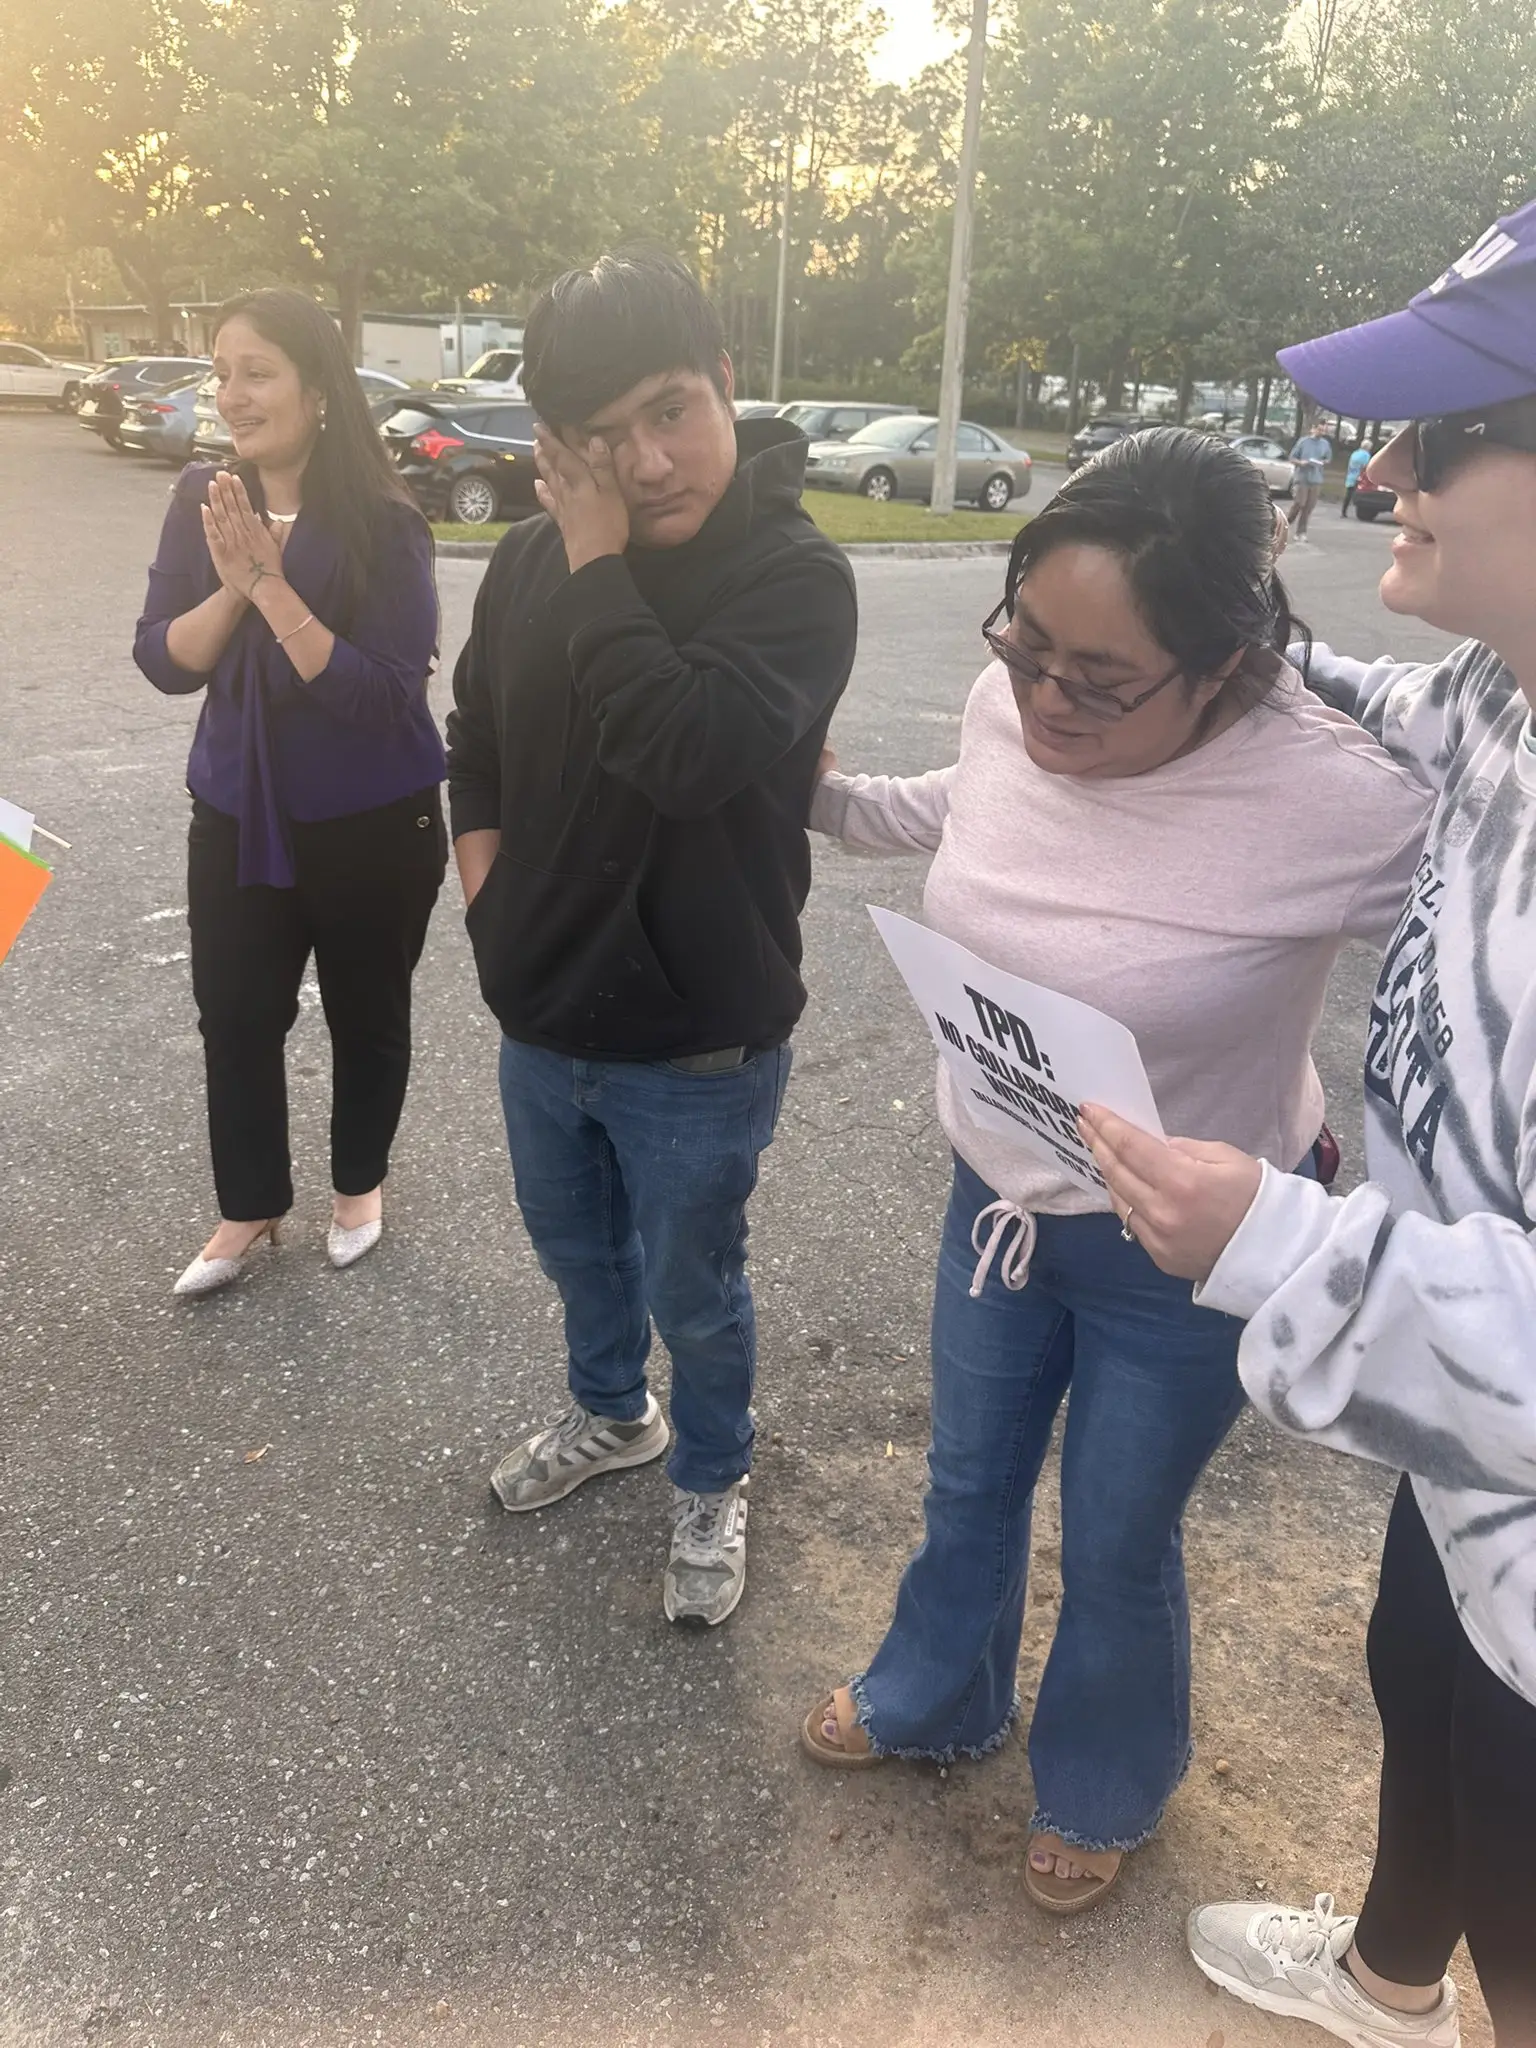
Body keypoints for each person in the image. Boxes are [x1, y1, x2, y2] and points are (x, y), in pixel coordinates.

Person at [796, 426, 1431, 1913]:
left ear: (1223, 664)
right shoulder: (1011, 704)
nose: (1046, 701)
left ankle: (1104, 1777)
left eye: (1101, 681)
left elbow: (1489, 936)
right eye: (1028, 650)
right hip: (998, 1202)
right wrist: (830, 799)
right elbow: (969, 801)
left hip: (1188, 1251)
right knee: (966, 1485)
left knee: (1119, 1530)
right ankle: (935, 1694)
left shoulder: (1340, 801)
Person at [1081, 197, 1536, 2044]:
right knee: (1413, 1672)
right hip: (1467, 1465)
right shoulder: (1504, 694)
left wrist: (1274, 1238)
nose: (1392, 462)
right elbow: (1376, 707)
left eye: (1458, 426)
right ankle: (1382, 1976)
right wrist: (1213, 639)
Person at [446, 249, 857, 1627]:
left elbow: (680, 749)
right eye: (598, 440)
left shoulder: (797, 580)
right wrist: (485, 888)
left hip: (700, 1040)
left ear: (730, 384)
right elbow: (480, 735)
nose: (646, 463)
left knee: (699, 1287)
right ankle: (610, 1416)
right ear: (557, 449)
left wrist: (600, 561)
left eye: (671, 412)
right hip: (542, 1016)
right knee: (578, 1259)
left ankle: (711, 1473)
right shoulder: (524, 560)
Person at [134, 288, 446, 1298]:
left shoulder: (385, 522)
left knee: (367, 1012)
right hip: (235, 807)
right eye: (222, 371)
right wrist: (231, 581)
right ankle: (251, 1201)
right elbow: (163, 661)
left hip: (370, 818)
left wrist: (270, 583)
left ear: (318, 390)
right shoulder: (203, 500)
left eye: (256, 371)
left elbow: (385, 694)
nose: (232, 393)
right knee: (234, 1012)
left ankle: (359, 1185)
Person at [1287, 416, 1335, 540]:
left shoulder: (1325, 444)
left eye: (1323, 431)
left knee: (1309, 507)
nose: (1321, 433)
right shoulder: (1303, 442)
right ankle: (1285, 524)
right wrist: (1301, 462)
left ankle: (1301, 532)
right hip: (1302, 478)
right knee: (1299, 503)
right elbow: (1292, 458)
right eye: (1319, 430)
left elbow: (1328, 459)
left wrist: (1323, 462)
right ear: (1313, 429)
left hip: (1316, 479)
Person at [1342, 438, 1372, 516]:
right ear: (1368, 447)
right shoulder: (1366, 455)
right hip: (1359, 476)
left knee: (1349, 493)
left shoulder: (1355, 453)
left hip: (1351, 474)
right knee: (1361, 493)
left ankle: (1344, 511)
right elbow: (1366, 466)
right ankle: (1362, 512)